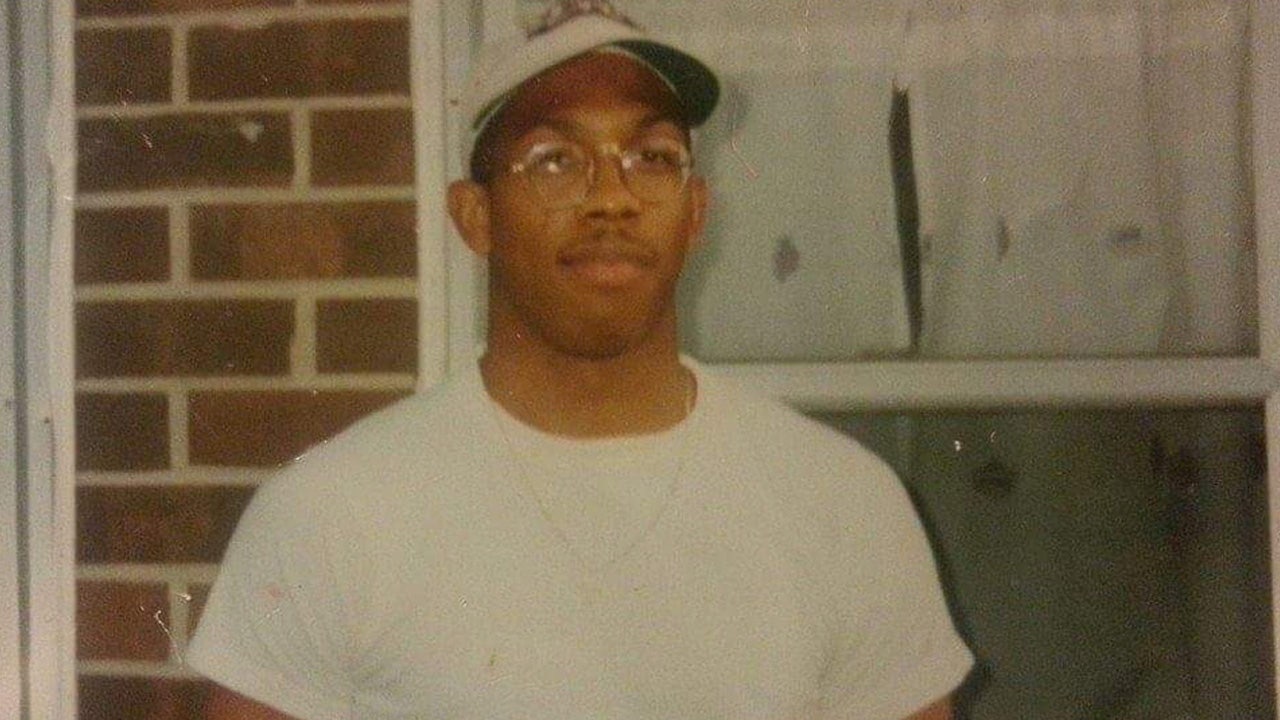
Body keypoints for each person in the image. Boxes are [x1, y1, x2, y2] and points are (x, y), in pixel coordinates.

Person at [188, 2, 973, 718]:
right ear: (475, 217)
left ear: (696, 211)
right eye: (555, 159)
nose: (611, 197)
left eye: (653, 157)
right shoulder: (331, 516)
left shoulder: (845, 507)